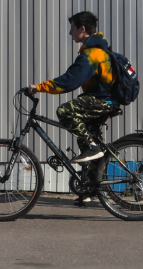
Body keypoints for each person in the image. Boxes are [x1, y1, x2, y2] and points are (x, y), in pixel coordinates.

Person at [22, 11, 121, 165]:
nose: (70, 32)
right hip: (105, 99)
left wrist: (38, 87)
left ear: (82, 29)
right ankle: (93, 183)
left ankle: (92, 147)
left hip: (104, 100)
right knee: (87, 144)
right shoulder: (96, 50)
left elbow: (68, 82)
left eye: (72, 28)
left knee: (65, 111)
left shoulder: (92, 54)